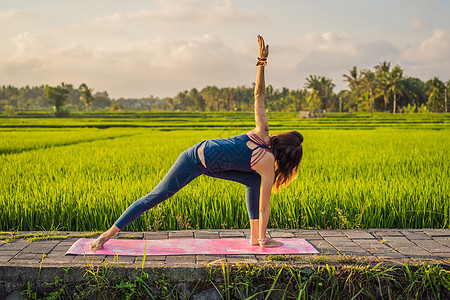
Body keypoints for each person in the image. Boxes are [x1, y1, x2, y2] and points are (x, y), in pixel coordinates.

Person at [89, 35, 303, 251]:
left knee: (253, 182)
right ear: (289, 159)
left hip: (209, 162)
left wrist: (262, 62)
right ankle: (106, 236)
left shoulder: (263, 132)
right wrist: (261, 62)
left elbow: (259, 94)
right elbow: (264, 206)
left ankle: (256, 238)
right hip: (193, 159)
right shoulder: (267, 159)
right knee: (156, 196)